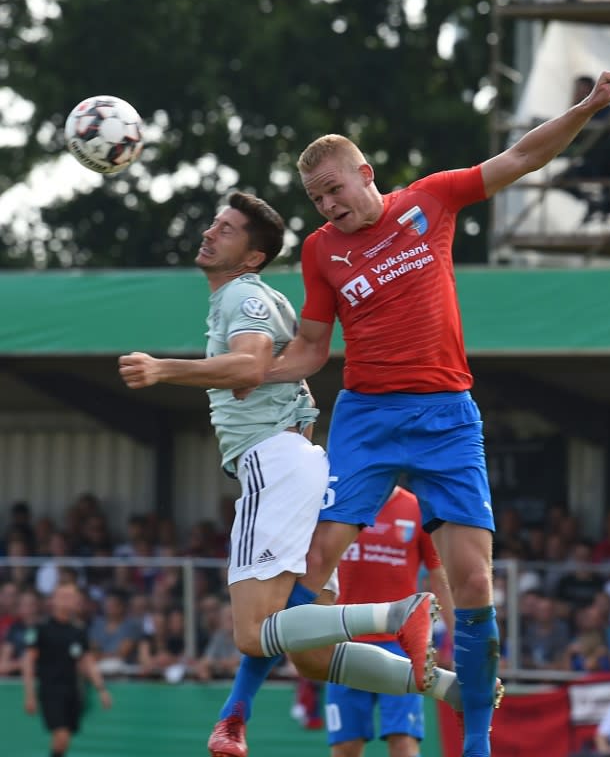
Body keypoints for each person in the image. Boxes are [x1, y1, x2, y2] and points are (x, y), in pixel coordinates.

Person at [256, 70, 610, 757]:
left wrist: (588, 106)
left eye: (334, 188)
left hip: (446, 413)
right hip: (365, 415)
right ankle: (244, 704)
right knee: (312, 562)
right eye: (315, 198)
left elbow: (519, 158)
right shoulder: (319, 251)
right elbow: (311, 347)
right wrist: (255, 377)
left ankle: (475, 742)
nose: (327, 205)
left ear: (365, 174)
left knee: (475, 580)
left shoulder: (428, 201)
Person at [118, 191, 464, 757]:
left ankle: (397, 613)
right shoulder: (251, 296)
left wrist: (161, 368)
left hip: (274, 464)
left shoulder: (242, 296)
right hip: (301, 466)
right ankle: (444, 684)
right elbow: (286, 358)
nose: (210, 233)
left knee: (253, 633)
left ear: (252, 257)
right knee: (312, 653)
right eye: (214, 223)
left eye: (226, 230)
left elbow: (251, 363)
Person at [325, 485, 454, 757]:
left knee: (403, 741)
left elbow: (439, 578)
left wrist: (461, 640)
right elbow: (314, 566)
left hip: (402, 646)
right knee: (346, 747)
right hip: (343, 642)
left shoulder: (418, 508)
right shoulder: (340, 497)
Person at [22, 583, 112, 757]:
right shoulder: (41, 628)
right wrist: (29, 693)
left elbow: (87, 661)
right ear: (53, 600)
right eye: (62, 596)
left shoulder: (78, 630)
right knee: (61, 735)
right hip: (50, 690)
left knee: (65, 739)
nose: (66, 600)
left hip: (72, 690)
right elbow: (28, 661)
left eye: (70, 596)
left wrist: (101, 689)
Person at [553, 75, 610, 223]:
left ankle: (602, 205)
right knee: (559, 180)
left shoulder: (603, 106)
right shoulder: (577, 109)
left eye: (580, 88)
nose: (577, 91)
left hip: (604, 162)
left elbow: (601, 132)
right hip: (589, 161)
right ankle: (592, 202)